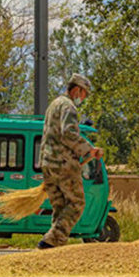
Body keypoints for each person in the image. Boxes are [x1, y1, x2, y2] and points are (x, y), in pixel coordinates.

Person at [37, 73, 104, 249]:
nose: (83, 97)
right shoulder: (68, 107)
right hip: (63, 164)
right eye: (83, 93)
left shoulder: (54, 105)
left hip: (47, 163)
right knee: (77, 203)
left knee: (60, 207)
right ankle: (50, 241)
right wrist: (89, 150)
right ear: (76, 89)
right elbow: (68, 133)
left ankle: (55, 246)